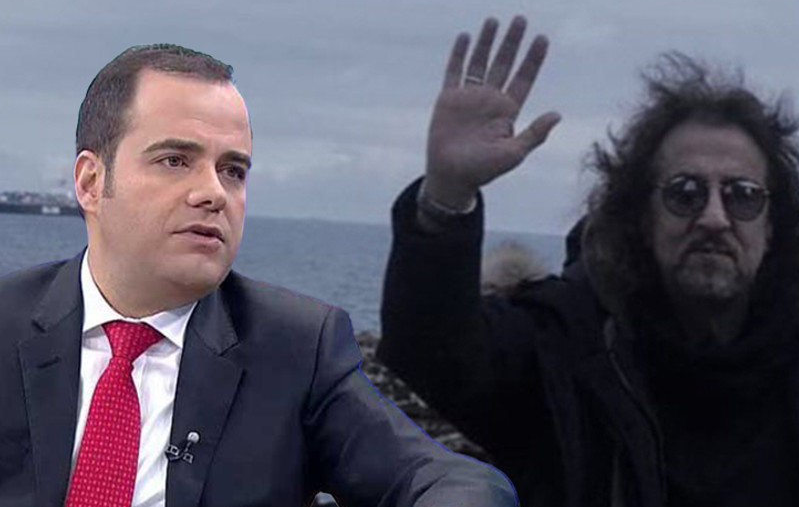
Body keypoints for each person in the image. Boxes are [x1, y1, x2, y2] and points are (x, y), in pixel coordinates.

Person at [378, 16, 799, 507]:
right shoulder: (563, 353)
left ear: (774, 223)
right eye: (685, 192)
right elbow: (435, 351)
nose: (714, 217)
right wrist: (446, 195)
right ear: (642, 216)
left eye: (742, 195)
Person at [0, 44, 517, 507]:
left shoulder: (297, 348)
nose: (213, 193)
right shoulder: (7, 323)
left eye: (233, 171)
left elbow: (448, 481)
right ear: (91, 183)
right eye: (175, 160)